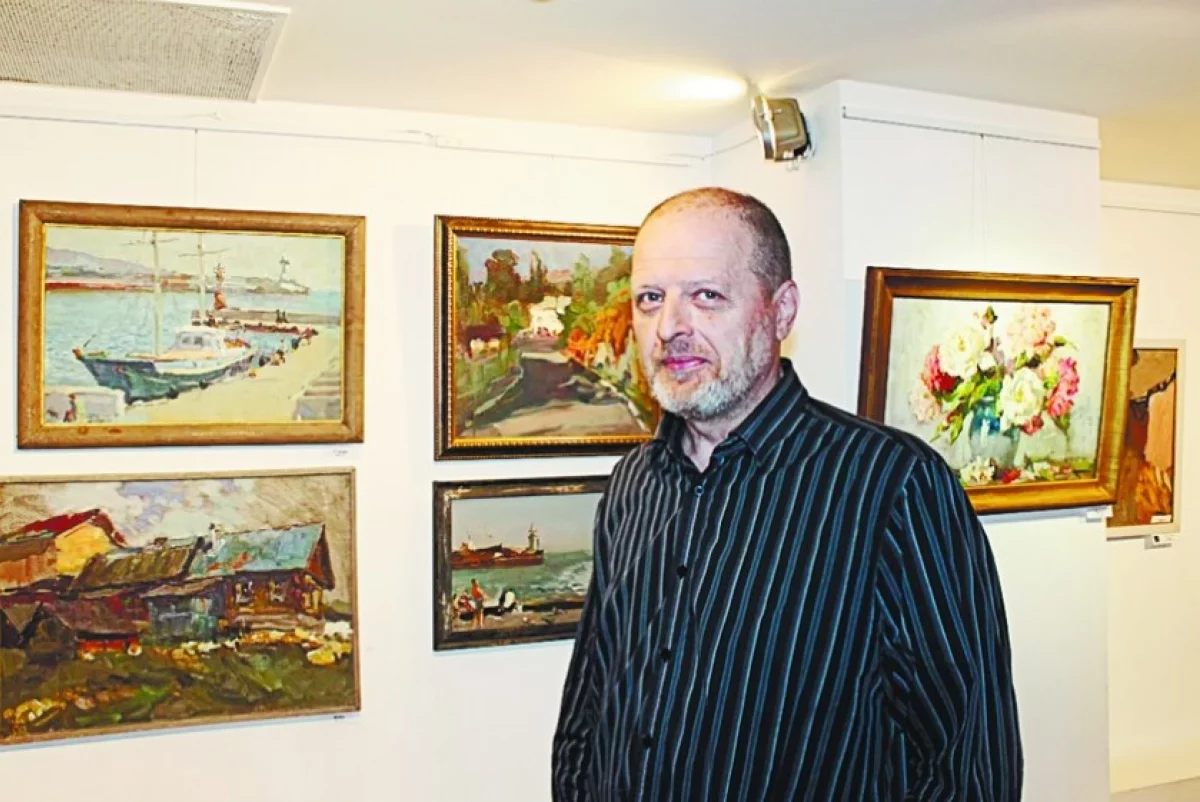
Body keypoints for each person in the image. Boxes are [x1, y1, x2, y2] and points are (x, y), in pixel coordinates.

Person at [550, 187, 1022, 801]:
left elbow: (967, 764)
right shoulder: (632, 486)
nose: (670, 327)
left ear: (781, 311)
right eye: (650, 299)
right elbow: (590, 704)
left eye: (706, 295)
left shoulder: (892, 486)